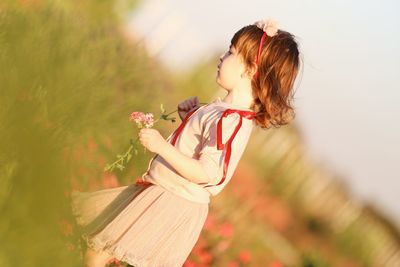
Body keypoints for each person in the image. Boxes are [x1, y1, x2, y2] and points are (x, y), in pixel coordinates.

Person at [70, 18, 301, 267]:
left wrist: (162, 147)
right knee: (100, 250)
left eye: (231, 53)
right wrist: (188, 120)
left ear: (250, 70)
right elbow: (198, 149)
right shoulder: (223, 110)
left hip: (172, 201)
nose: (221, 57)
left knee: (99, 251)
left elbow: (207, 172)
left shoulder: (232, 120)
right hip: (162, 192)